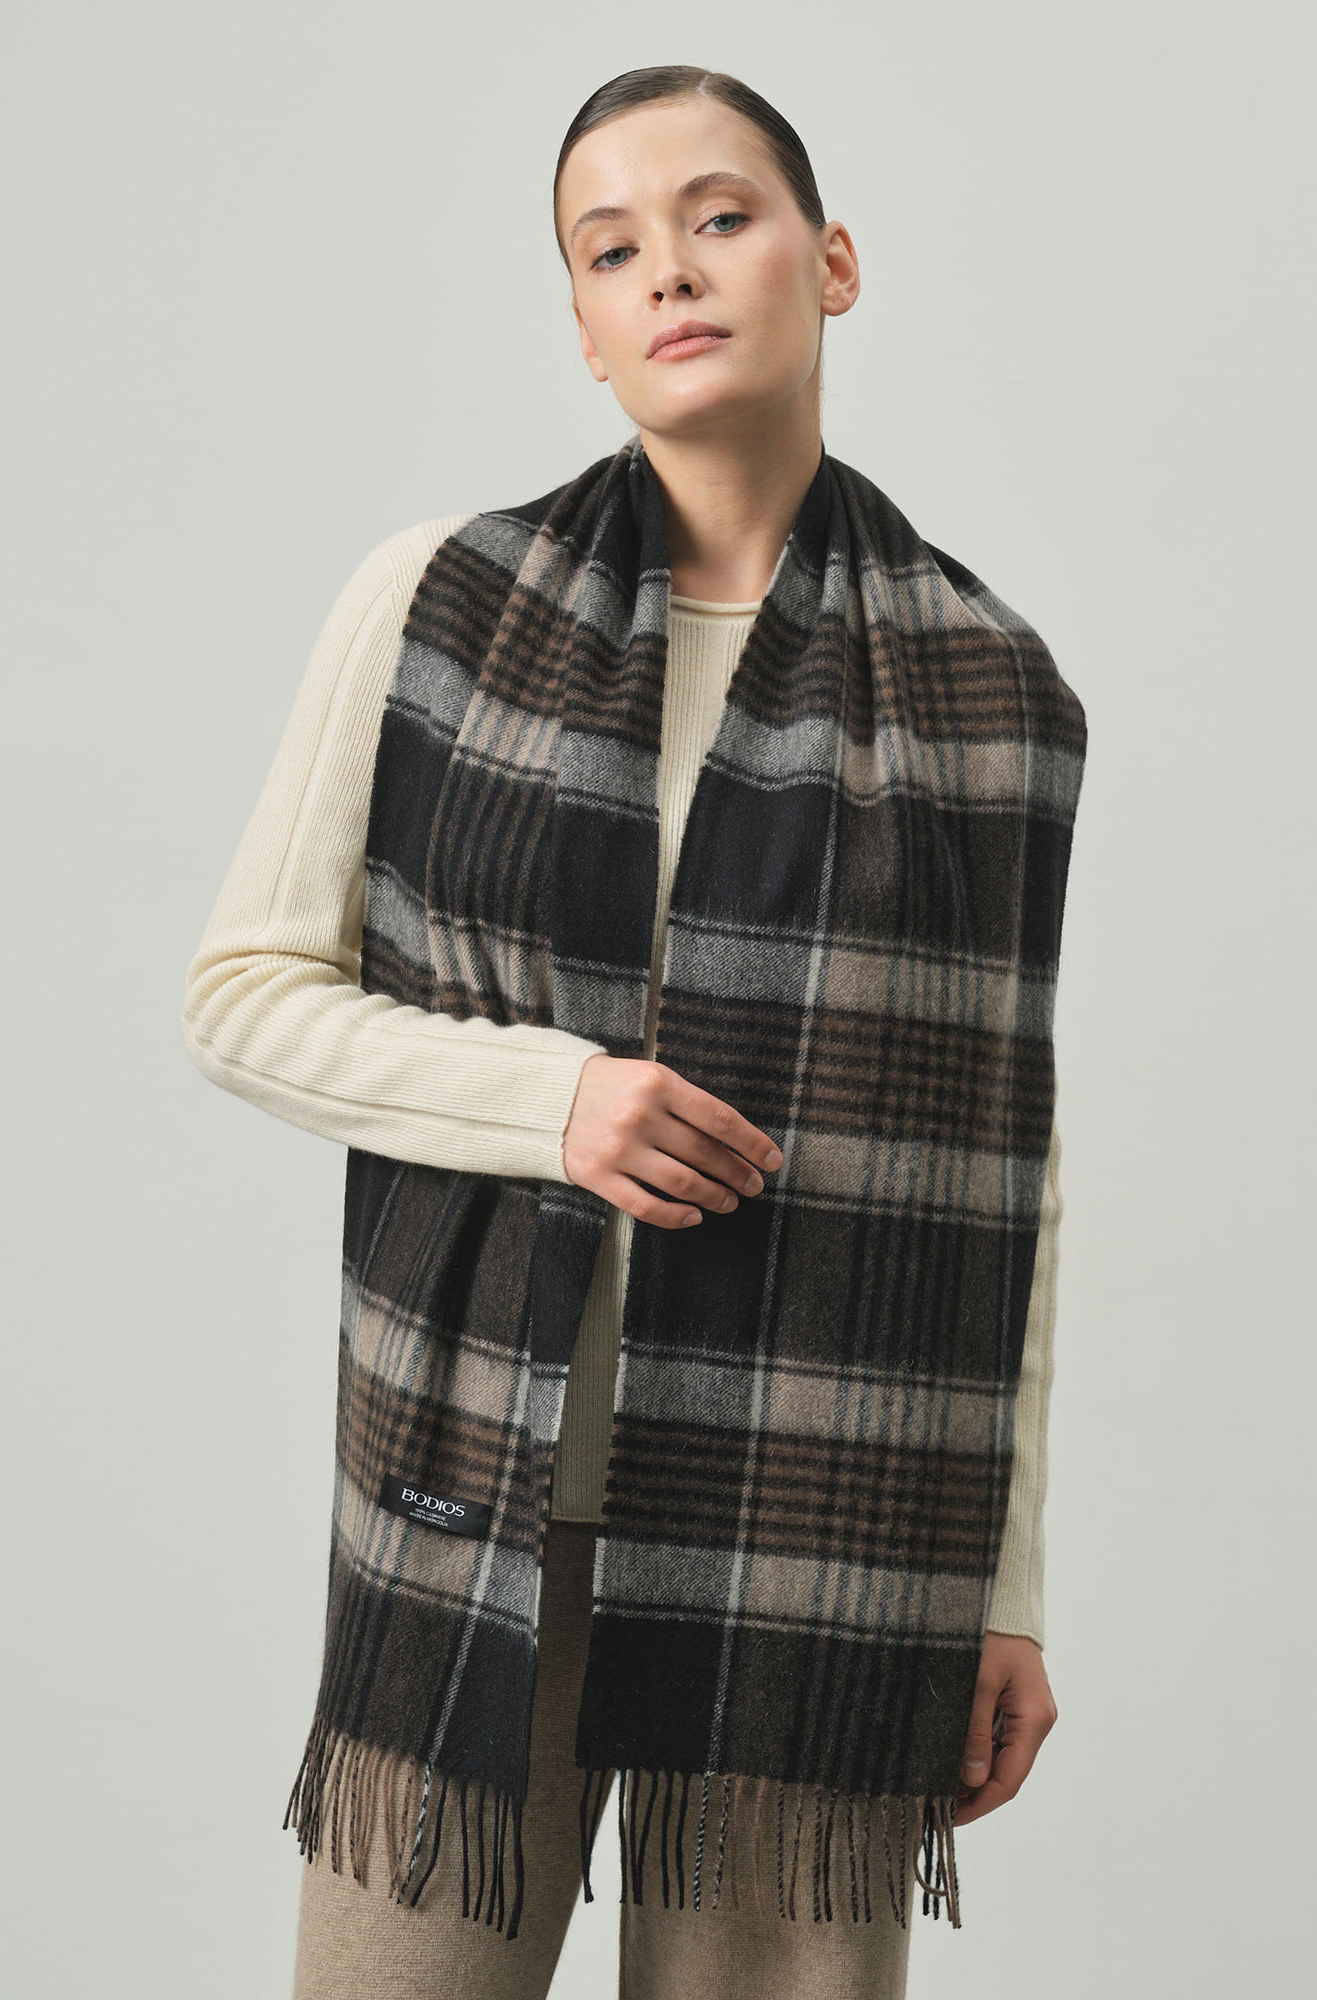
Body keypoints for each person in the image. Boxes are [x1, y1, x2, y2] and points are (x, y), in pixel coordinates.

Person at [182, 64, 1068, 2000]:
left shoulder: (993, 688)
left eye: (721, 216)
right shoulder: (441, 602)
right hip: (477, 1487)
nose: (669, 267)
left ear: (832, 262)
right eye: (611, 246)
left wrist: (999, 1587)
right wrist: (554, 1100)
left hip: (819, 1526)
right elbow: (244, 994)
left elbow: (1004, 1173)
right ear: (585, 327)